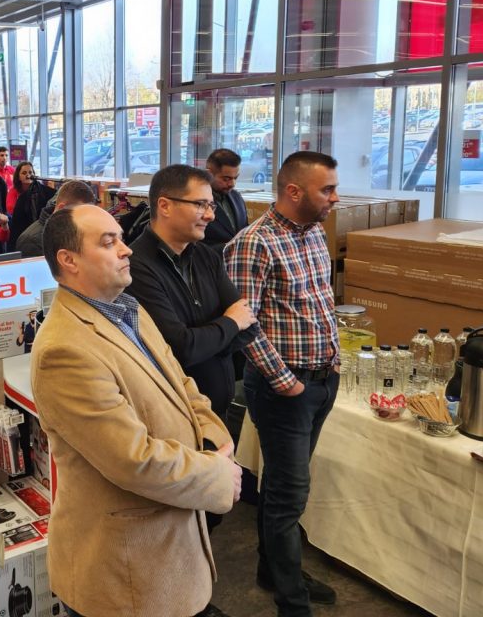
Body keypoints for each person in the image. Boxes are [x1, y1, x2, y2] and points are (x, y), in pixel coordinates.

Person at [31, 204, 241, 617]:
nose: (126, 249)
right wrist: (216, 473)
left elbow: (182, 385)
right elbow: (132, 460)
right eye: (108, 242)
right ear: (69, 260)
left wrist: (215, 441)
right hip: (125, 576)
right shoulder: (64, 350)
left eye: (121, 238)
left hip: (168, 551)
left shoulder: (129, 310)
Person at [224, 151, 341, 617]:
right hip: (283, 390)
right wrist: (285, 382)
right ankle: (292, 603)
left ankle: (272, 570)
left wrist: (333, 363)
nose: (335, 197)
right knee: (289, 497)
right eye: (327, 189)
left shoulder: (314, 233)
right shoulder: (253, 243)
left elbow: (320, 301)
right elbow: (243, 324)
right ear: (294, 191)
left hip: (321, 380)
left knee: (280, 486)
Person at [127, 165, 259, 422]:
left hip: (217, 411)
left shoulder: (207, 257)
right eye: (200, 205)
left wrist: (207, 342)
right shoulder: (136, 267)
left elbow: (250, 327)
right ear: (164, 206)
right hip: (174, 417)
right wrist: (231, 323)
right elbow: (181, 348)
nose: (210, 215)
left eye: (211, 205)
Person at [15, 179, 95, 258]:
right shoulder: (31, 241)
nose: (84, 219)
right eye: (80, 213)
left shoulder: (75, 231)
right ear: (61, 209)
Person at [204, 149, 249, 251]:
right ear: (209, 174)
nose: (232, 184)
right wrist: (231, 247)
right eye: (226, 179)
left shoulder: (236, 197)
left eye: (235, 178)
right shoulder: (196, 202)